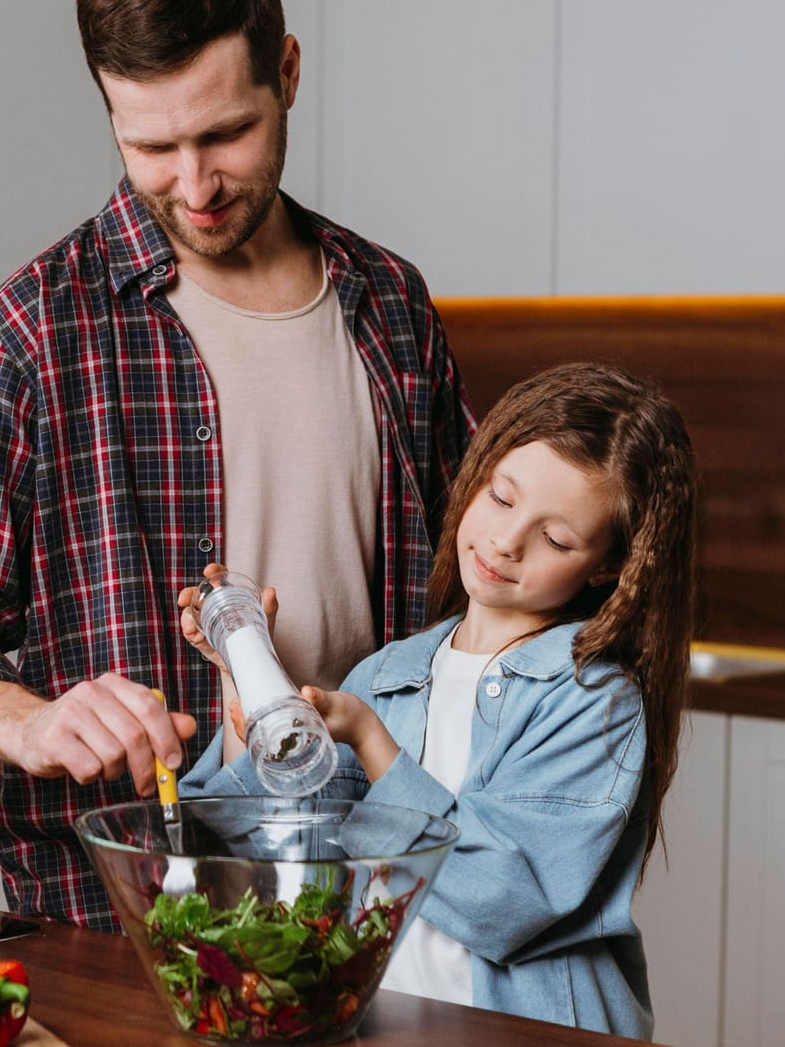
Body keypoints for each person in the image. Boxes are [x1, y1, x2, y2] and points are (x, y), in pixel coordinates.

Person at [0, 0, 473, 930]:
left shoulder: (391, 306)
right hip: (126, 915)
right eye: (151, 145)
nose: (193, 187)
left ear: (287, 72)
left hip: (377, 893)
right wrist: (22, 718)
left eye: (226, 133)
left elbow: (473, 595)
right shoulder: (31, 328)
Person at [178, 363, 699, 1040]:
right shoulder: (388, 674)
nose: (507, 542)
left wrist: (373, 743)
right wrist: (246, 679)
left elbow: (504, 903)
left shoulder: (591, 700)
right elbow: (269, 846)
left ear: (606, 567)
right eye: (502, 498)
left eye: (555, 538)